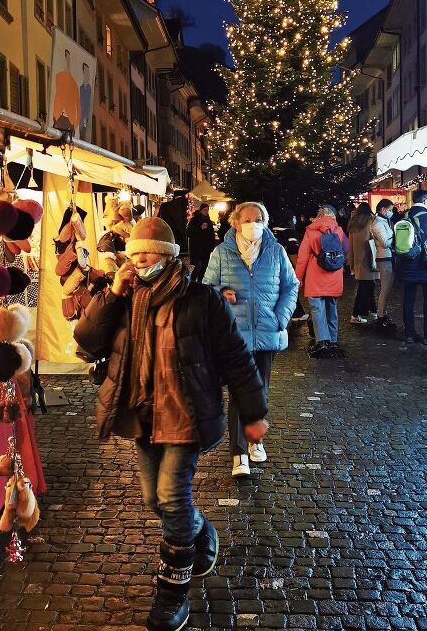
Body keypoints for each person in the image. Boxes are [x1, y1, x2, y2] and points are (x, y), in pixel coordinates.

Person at [74, 218, 268, 631]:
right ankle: (201, 532)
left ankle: (172, 586)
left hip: (186, 414)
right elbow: (86, 342)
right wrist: (112, 294)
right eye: (135, 252)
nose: (140, 259)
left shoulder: (201, 300)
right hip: (141, 414)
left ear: (169, 255)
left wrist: (253, 413)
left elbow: (235, 357)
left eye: (149, 252)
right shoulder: (122, 298)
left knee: (171, 495)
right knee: (152, 499)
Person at [203, 202, 298, 478]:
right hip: (234, 336)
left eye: (258, 219)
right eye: (247, 219)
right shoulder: (221, 253)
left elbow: (291, 285)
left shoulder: (276, 251)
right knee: (237, 394)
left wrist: (281, 318)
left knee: (260, 391)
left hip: (267, 333)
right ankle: (239, 453)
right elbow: (207, 288)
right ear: (235, 223)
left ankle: (256, 440)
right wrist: (221, 292)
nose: (253, 223)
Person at [295, 205, 350, 359]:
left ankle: (322, 341)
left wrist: (299, 278)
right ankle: (333, 340)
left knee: (317, 309)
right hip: (334, 274)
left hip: (315, 275)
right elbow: (346, 248)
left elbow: (303, 258)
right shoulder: (338, 230)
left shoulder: (311, 231)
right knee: (332, 307)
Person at [397, 189, 427, 345]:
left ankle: (409, 334)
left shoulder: (405, 216)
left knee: (408, 300)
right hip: (425, 265)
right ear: (426, 201)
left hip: (407, 264)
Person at [347, 203, 379, 324]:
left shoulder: (353, 224)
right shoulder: (371, 221)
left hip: (358, 261)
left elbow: (350, 246)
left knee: (367, 286)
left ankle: (374, 312)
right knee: (365, 288)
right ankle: (355, 315)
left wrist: (351, 263)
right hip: (370, 259)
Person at [372, 199, 397, 331]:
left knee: (386, 289)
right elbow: (385, 243)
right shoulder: (378, 224)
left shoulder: (383, 221)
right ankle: (381, 317)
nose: (391, 212)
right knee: (385, 289)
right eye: (390, 210)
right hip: (384, 258)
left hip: (388, 257)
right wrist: (395, 233)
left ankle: (383, 315)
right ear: (383, 210)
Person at [185, 203, 216, 283]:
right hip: (197, 248)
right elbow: (188, 233)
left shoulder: (208, 220)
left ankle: (200, 283)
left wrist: (211, 245)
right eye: (204, 210)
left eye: (207, 210)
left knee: (204, 267)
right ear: (201, 210)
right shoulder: (194, 220)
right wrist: (200, 228)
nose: (206, 212)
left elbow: (211, 234)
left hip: (206, 248)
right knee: (197, 266)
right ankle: (192, 282)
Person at [156, 190, 189, 257]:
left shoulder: (164, 206)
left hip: (169, 241)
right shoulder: (185, 206)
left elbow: (159, 221)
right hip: (183, 244)